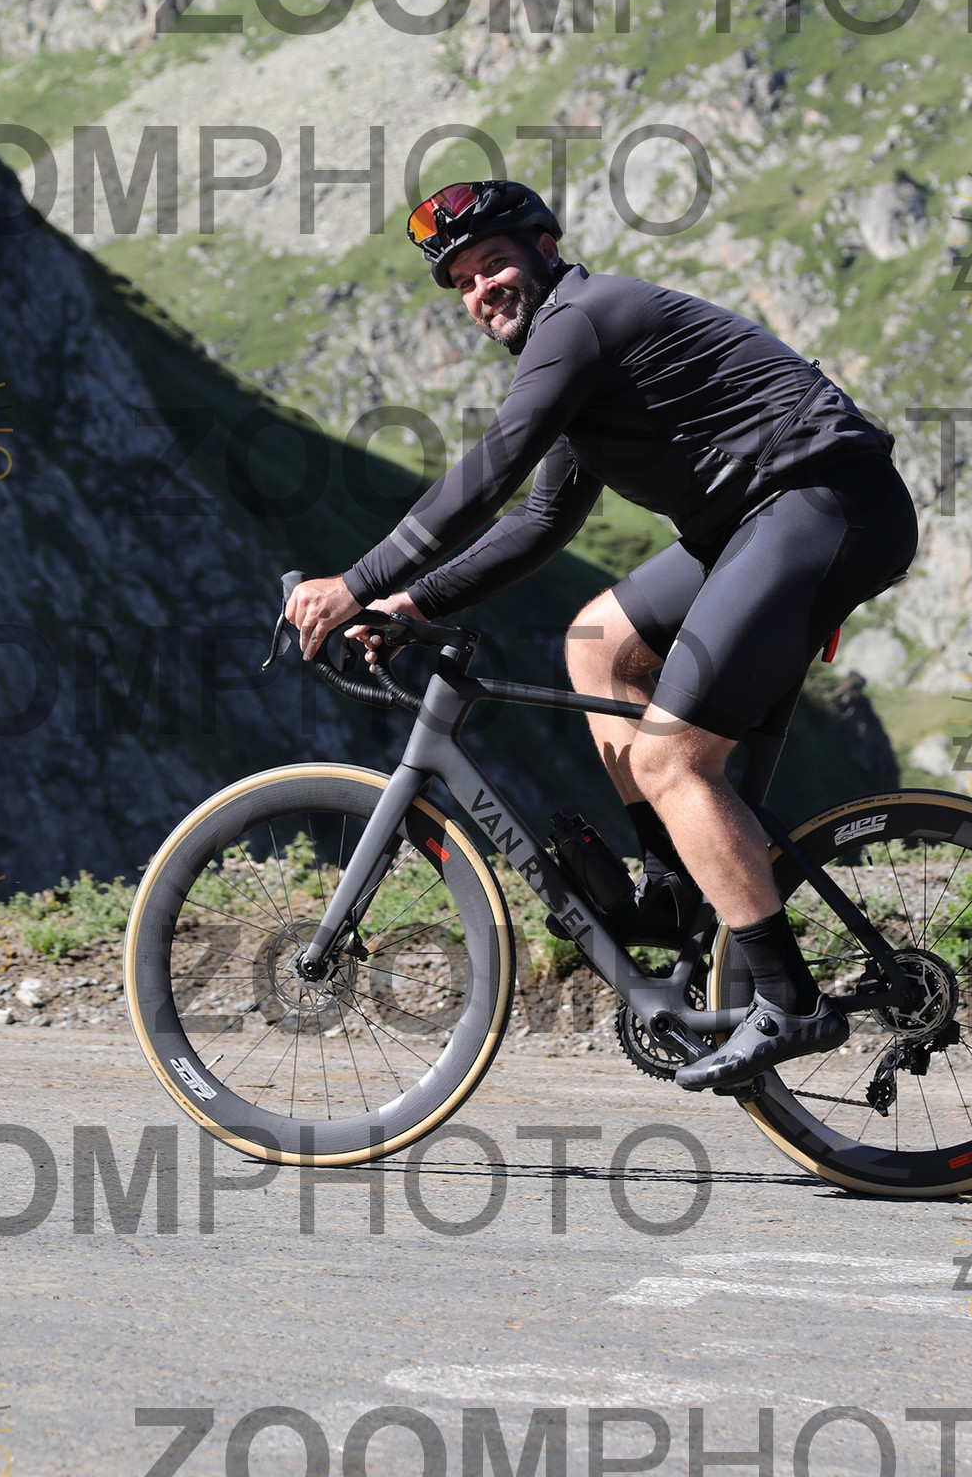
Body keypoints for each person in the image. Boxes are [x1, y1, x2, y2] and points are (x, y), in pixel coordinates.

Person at [286, 178, 918, 1092]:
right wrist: (414, 602)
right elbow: (541, 520)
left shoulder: (582, 318)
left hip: (825, 504)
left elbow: (491, 471)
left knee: (673, 757)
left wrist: (355, 584)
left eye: (493, 262)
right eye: (462, 282)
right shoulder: (576, 354)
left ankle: (790, 1001)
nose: (480, 290)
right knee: (598, 639)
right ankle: (672, 888)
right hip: (754, 524)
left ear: (546, 249)